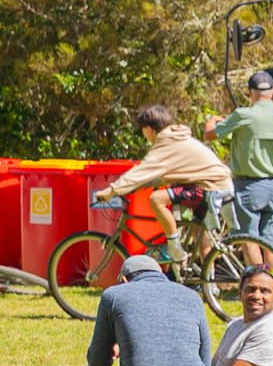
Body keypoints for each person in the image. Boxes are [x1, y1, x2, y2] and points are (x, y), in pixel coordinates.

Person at [34, 249, 216, 366]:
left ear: (124, 280)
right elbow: (204, 364)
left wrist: (113, 352)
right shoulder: (192, 297)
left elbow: (96, 362)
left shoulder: (114, 296)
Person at [97, 104, 233, 259]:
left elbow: (141, 171)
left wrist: (112, 191)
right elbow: (163, 174)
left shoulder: (166, 144)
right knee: (198, 230)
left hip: (210, 187)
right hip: (219, 184)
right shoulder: (178, 137)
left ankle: (174, 248)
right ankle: (208, 281)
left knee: (157, 199)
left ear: (149, 128)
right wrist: (141, 185)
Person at [208, 71, 273, 257]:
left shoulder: (244, 115)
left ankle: (256, 282)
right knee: (270, 241)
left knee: (248, 238)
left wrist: (211, 122)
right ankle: (272, 281)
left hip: (248, 186)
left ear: (250, 92)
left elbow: (210, 135)